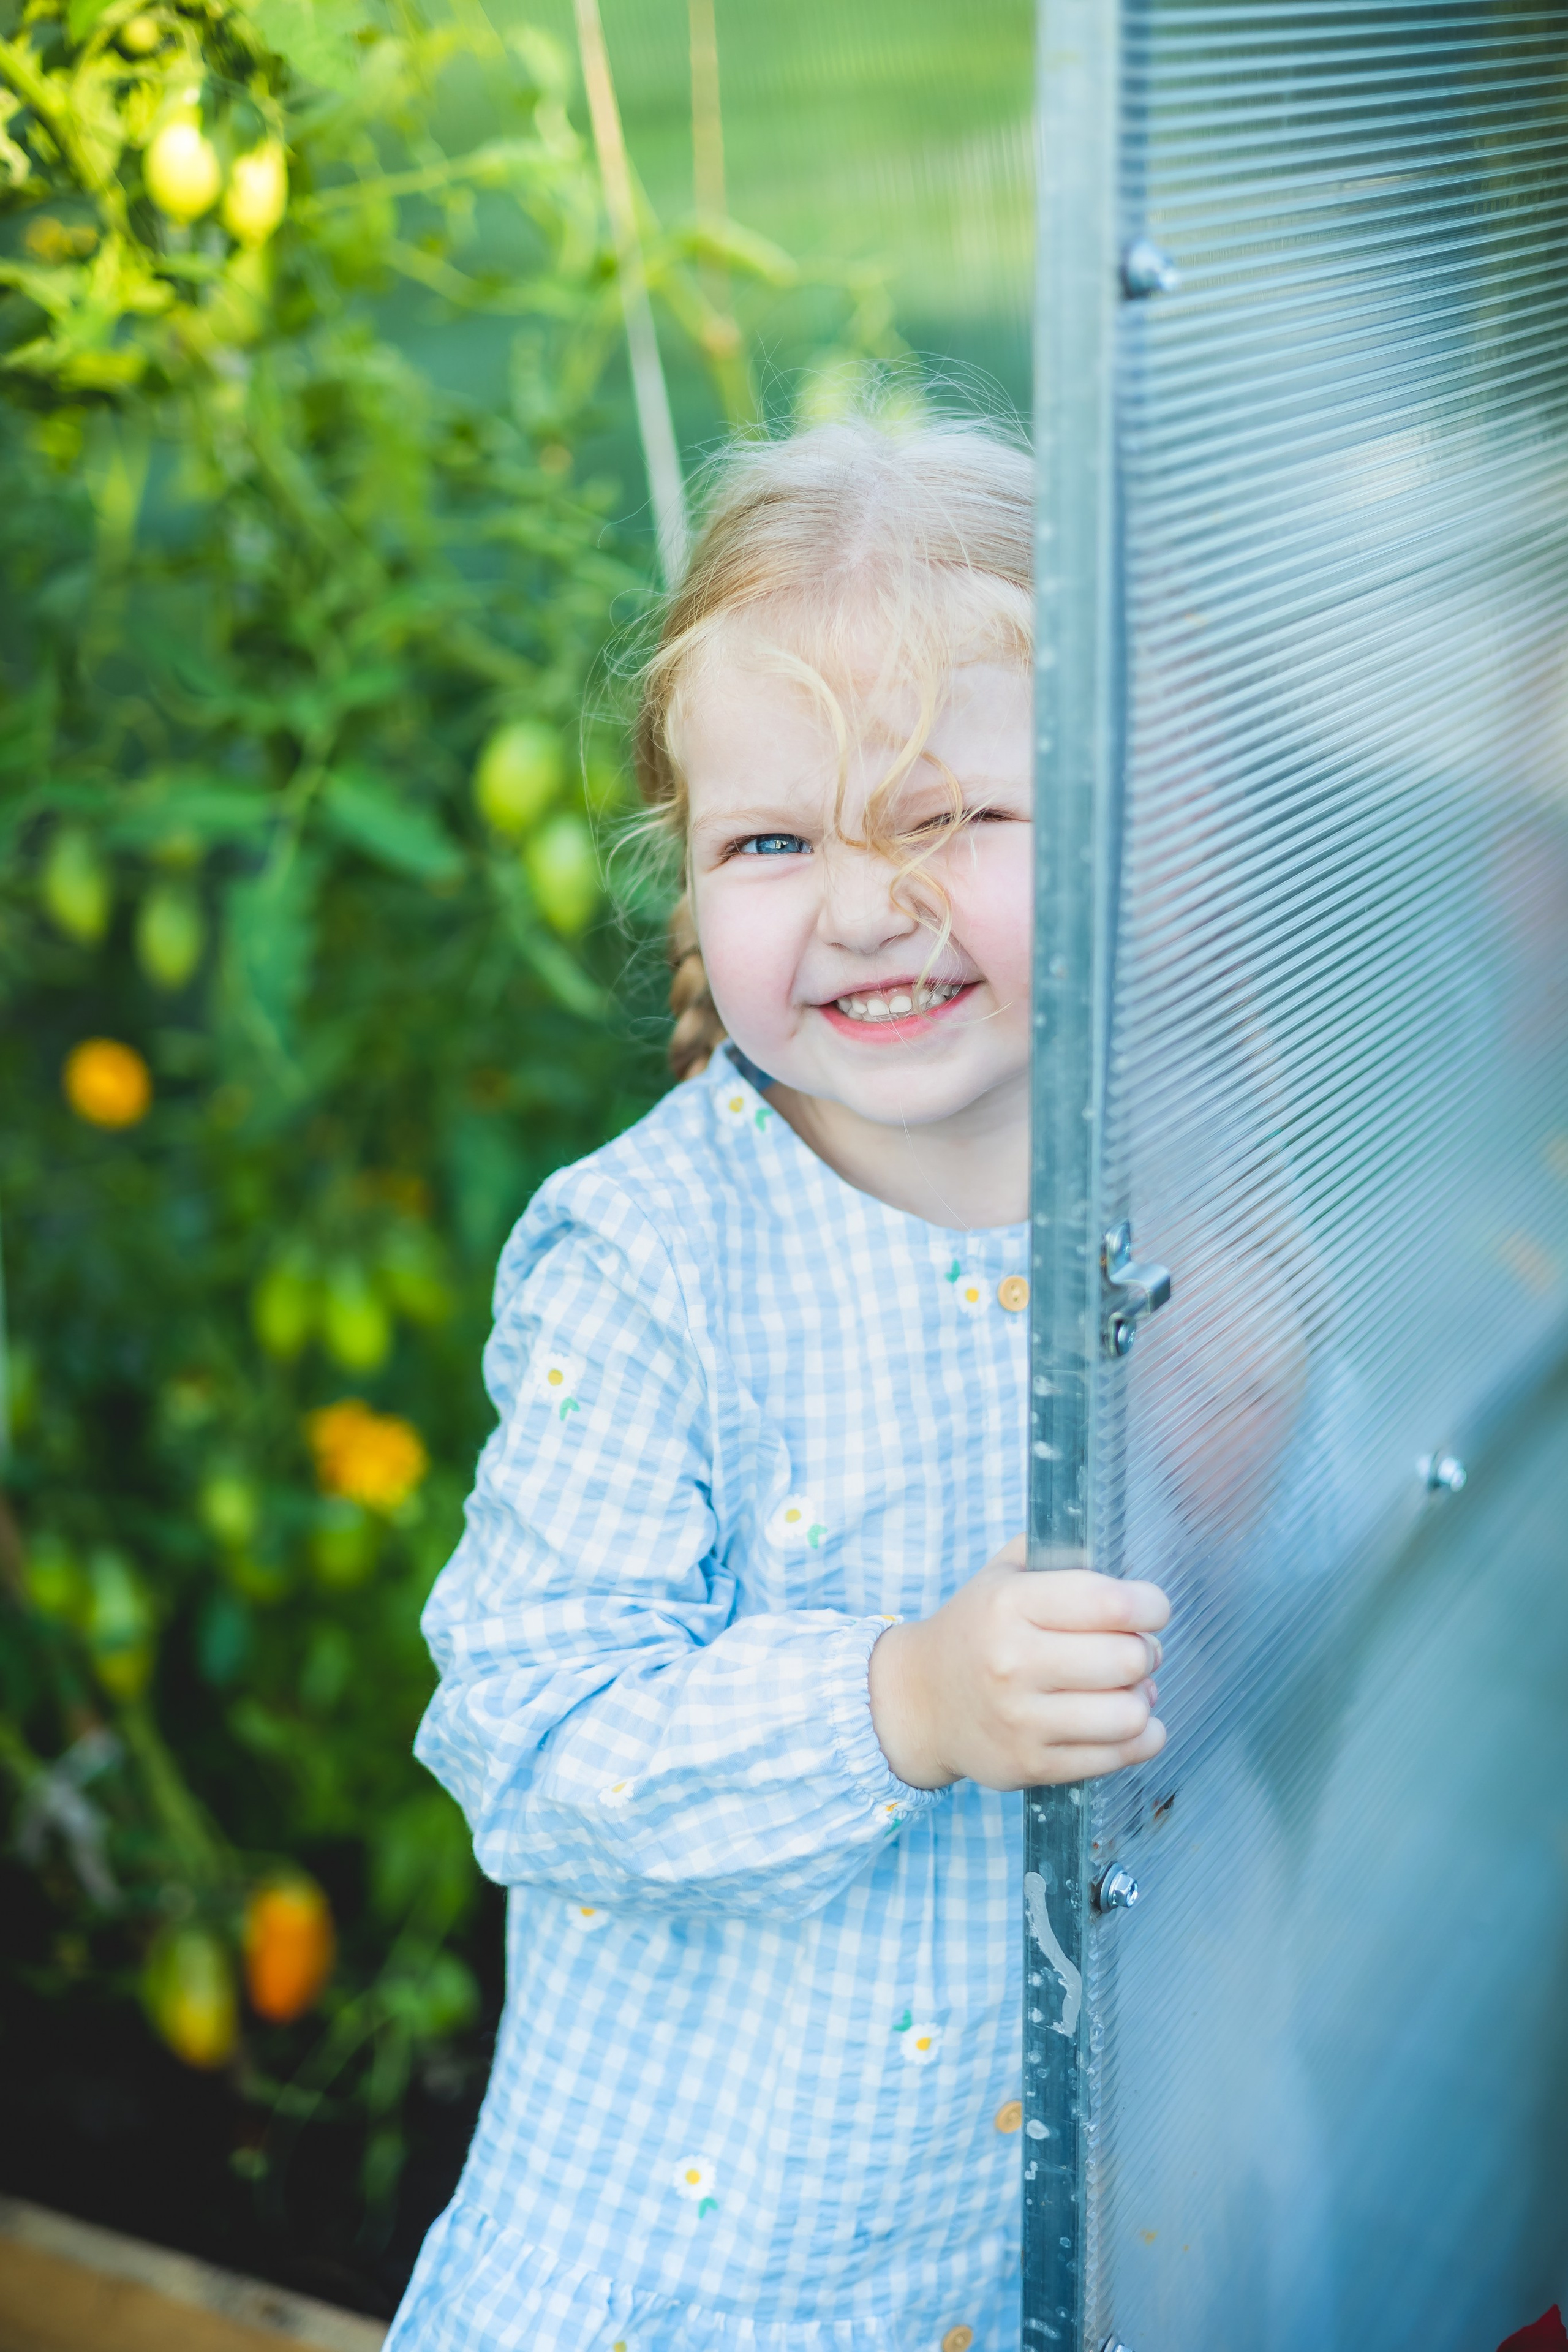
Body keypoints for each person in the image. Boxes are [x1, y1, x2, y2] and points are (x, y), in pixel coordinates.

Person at [385, 417, 1170, 2352]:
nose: (866, 902)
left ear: (1107, 814)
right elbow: (531, 1735)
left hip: (1050, 2241)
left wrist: (1261, 1429)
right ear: (687, 888)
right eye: (773, 841)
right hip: (716, 2275)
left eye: (948, 816)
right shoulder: (654, 1266)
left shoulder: (1173, 1180)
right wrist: (900, 1698)